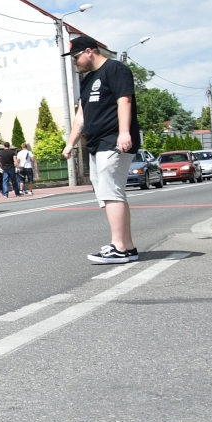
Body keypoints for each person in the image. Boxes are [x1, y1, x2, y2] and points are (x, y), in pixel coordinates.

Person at [61, 35, 141, 264]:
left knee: (111, 193)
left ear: (89, 51)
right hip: (96, 145)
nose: (74, 62)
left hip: (113, 140)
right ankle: (127, 247)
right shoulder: (87, 80)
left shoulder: (115, 69)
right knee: (111, 194)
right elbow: (81, 115)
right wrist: (70, 143)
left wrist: (124, 132)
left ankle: (119, 247)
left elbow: (124, 100)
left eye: (75, 57)